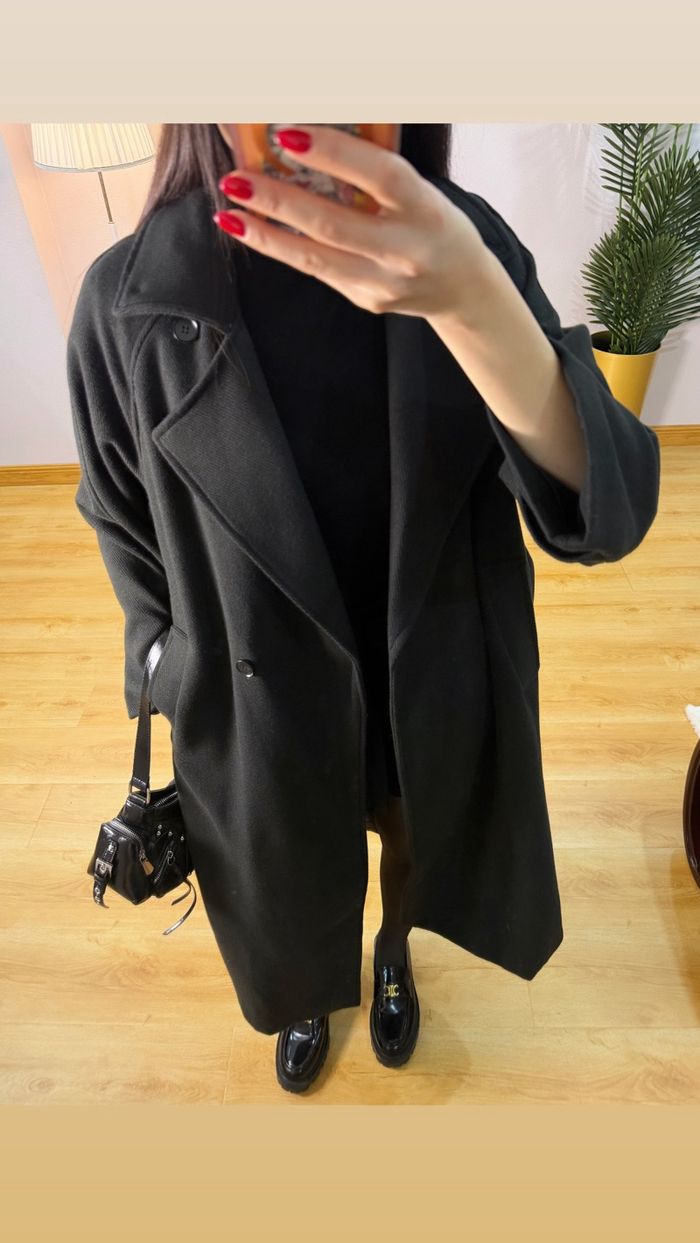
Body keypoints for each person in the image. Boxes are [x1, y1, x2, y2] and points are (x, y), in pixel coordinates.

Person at [67, 123, 660, 1095]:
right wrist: (177, 674)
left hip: (426, 663)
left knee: (413, 843)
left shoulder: (463, 246)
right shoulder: (127, 300)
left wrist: (474, 300)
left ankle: (391, 952)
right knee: (291, 867)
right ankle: (309, 988)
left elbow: (612, 510)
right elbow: (121, 523)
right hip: (260, 684)